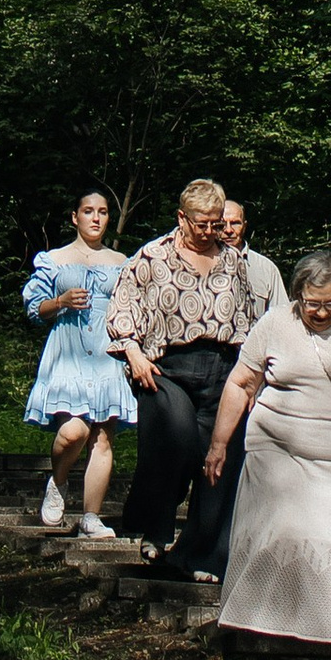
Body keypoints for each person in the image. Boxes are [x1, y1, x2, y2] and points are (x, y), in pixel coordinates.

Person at [203, 249, 331, 660]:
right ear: (297, 296)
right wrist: (219, 443)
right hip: (278, 449)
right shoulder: (275, 323)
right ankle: (254, 629)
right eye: (313, 303)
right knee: (276, 535)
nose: (322, 312)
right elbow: (242, 382)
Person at [108, 177, 267, 581]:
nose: (211, 231)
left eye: (217, 223)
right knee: (177, 441)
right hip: (167, 368)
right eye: (202, 223)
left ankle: (202, 554)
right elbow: (123, 307)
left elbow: (247, 322)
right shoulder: (152, 257)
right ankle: (154, 526)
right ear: (182, 218)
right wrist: (133, 354)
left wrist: (251, 377)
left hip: (222, 369)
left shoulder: (232, 261)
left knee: (220, 460)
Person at [24, 189, 133, 534]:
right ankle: (58, 481)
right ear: (75, 217)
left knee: (102, 438)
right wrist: (61, 301)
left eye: (102, 211)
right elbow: (34, 308)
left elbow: (134, 307)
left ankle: (91, 517)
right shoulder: (54, 259)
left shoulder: (121, 262)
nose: (96, 218)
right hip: (68, 351)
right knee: (74, 432)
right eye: (88, 211)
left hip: (107, 354)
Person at [221, 197, 283, 318]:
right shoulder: (201, 264)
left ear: (244, 226)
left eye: (235, 223)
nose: (228, 230)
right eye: (222, 224)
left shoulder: (267, 269)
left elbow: (280, 318)